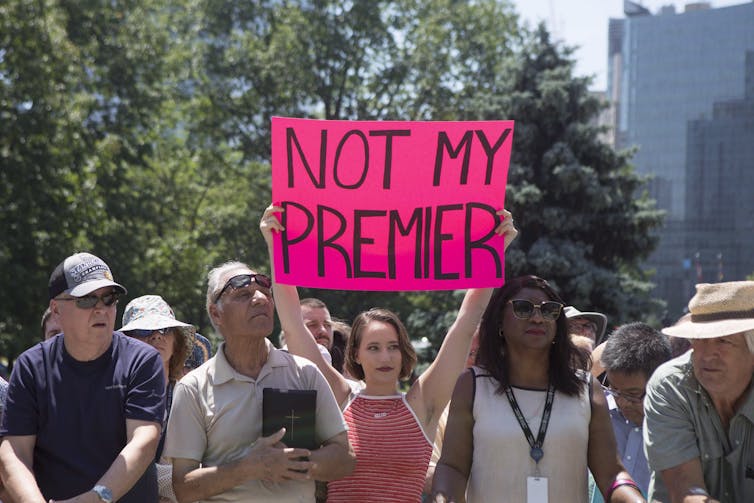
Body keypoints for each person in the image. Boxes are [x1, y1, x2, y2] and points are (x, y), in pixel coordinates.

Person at [260, 203, 518, 503]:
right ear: (355, 354)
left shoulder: (423, 403)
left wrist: (494, 249)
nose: (386, 357)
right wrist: (276, 245)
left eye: (393, 347)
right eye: (374, 348)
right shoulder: (340, 397)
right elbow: (292, 326)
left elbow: (465, 324)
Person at [431, 275, 645, 503]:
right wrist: (445, 498)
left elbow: (611, 473)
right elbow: (452, 467)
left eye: (549, 310)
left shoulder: (586, 388)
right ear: (500, 321)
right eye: (523, 308)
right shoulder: (472, 385)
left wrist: (636, 500)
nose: (537, 318)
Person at [162, 260, 355, 502]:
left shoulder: (306, 374)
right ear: (215, 313)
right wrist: (249, 468)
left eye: (266, 292)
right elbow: (183, 487)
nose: (261, 299)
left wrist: (297, 463)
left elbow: (345, 458)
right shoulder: (193, 388)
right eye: (243, 294)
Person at [0, 252, 165, 502]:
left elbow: (143, 440)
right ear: (56, 310)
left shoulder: (142, 360)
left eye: (109, 298)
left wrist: (96, 498)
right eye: (87, 299)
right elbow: (15, 452)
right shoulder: (30, 366)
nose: (101, 309)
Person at [643, 281, 754, 502]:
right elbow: (685, 490)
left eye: (723, 341)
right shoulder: (671, 384)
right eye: (699, 340)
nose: (706, 355)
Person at [119, 295, 196, 503]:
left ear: (176, 342)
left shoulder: (192, 397)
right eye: (144, 331)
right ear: (126, 341)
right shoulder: (111, 396)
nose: (157, 336)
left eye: (165, 329)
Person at [589, 322, 672, 502]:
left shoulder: (677, 426)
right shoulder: (595, 411)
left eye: (633, 394)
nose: (622, 402)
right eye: (614, 390)